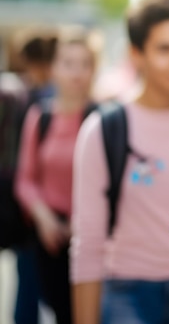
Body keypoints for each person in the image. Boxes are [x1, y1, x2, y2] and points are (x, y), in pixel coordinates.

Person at [70, 0, 169, 324]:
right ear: (136, 54)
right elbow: (87, 241)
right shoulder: (105, 128)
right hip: (128, 293)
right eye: (164, 49)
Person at [14, 35, 98, 324]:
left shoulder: (102, 119)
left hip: (90, 236)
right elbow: (25, 178)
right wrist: (44, 218)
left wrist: (82, 220)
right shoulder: (40, 117)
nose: (76, 72)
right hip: (47, 236)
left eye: (84, 64)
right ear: (54, 68)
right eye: (68, 63)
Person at [2, 34, 57, 324]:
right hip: (40, 208)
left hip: (26, 207)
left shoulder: (30, 98)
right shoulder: (45, 101)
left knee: (28, 287)